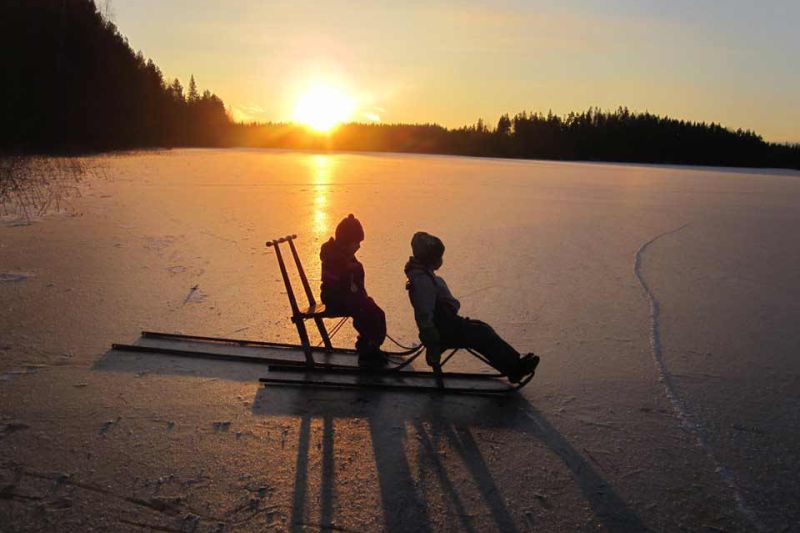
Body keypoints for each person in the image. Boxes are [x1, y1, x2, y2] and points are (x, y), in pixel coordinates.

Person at [404, 231, 540, 383]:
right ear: (429, 259)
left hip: (449, 323)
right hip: (443, 330)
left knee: (482, 329)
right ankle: (514, 368)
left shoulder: (426, 276)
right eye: (438, 257)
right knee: (481, 334)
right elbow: (424, 314)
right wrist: (433, 341)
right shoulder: (423, 282)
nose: (441, 260)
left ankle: (513, 363)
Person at [320, 214, 387, 366]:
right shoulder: (333, 257)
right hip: (335, 298)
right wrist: (352, 269)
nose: (358, 246)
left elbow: (354, 284)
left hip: (349, 297)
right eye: (356, 242)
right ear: (345, 242)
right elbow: (339, 281)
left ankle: (370, 344)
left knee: (376, 312)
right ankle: (367, 348)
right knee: (365, 312)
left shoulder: (346, 256)